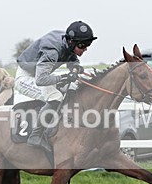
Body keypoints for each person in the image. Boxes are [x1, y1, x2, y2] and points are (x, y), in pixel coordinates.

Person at [14, 20, 95, 150]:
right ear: (72, 42)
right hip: (26, 78)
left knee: (70, 88)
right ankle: (36, 136)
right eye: (83, 45)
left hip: (40, 73)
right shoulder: (52, 51)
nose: (85, 49)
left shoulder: (67, 41)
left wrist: (74, 70)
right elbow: (41, 80)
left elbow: (73, 60)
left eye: (87, 45)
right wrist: (64, 77)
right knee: (55, 97)